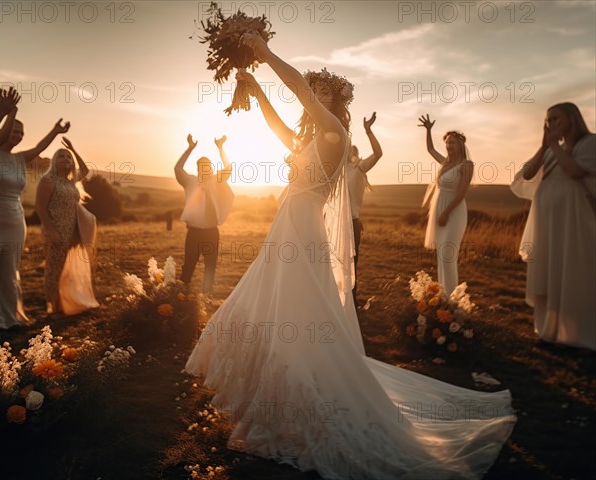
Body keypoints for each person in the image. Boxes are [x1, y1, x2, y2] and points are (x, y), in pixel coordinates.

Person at [185, 32, 514, 480]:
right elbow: (279, 128)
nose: (311, 96)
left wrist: (263, 53)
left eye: (320, 92)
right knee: (273, 308)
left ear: (335, 102)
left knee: (298, 317)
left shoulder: (335, 134)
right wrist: (258, 90)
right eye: (313, 91)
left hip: (302, 236)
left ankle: (297, 400)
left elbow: (298, 89)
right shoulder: (312, 140)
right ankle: (271, 392)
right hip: (288, 230)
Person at [511, 102, 595, 350]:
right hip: (547, 219)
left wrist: (556, 147)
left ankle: (577, 333)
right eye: (549, 120)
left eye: (557, 119)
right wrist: (543, 146)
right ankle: (549, 329)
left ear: (572, 118)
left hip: (573, 217)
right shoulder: (549, 149)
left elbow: (575, 171)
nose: (552, 124)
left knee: (572, 268)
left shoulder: (588, 143)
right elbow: (527, 174)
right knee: (549, 268)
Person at [0, 112, 70, 330]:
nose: (18, 135)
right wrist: (10, 112)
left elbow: (39, 147)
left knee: (9, 271)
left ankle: (8, 318)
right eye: (14, 131)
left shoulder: (19, 159)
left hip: (15, 220)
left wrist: (55, 131)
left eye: (21, 133)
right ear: (2, 131)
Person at [35, 137, 99, 317]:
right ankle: (52, 307)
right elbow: (40, 207)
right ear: (54, 161)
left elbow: (85, 170)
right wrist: (51, 231)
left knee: (64, 267)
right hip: (54, 229)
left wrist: (73, 148)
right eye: (61, 156)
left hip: (71, 230)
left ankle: (64, 303)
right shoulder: (48, 180)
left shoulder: (70, 182)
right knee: (53, 268)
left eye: (68, 157)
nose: (65, 159)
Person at [418, 114, 473, 296]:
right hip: (439, 209)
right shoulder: (445, 163)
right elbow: (430, 149)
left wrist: (446, 213)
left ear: (461, 145)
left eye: (453, 143)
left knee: (448, 256)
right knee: (441, 257)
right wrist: (428, 130)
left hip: (454, 211)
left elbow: (462, 192)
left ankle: (452, 298)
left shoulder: (466, 165)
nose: (449, 146)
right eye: (447, 143)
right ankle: (442, 296)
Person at [175, 134, 234, 294]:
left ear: (211, 168)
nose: (205, 169)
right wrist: (189, 149)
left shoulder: (217, 181)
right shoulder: (190, 182)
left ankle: (205, 300)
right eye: (202, 167)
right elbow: (177, 169)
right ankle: (181, 299)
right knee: (188, 267)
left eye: (208, 167)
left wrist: (221, 148)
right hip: (193, 233)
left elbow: (229, 168)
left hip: (211, 233)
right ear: (198, 169)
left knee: (210, 268)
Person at [348, 112, 382, 307]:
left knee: (351, 265)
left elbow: (378, 154)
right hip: (329, 223)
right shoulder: (334, 169)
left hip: (352, 224)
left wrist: (368, 131)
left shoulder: (359, 168)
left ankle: (351, 304)